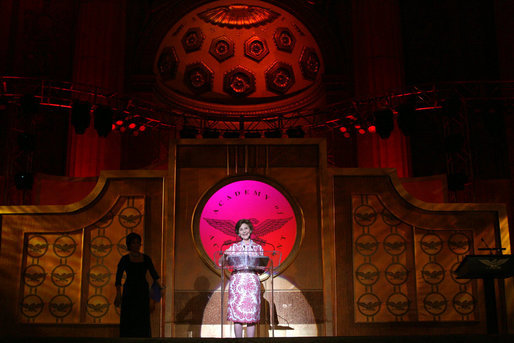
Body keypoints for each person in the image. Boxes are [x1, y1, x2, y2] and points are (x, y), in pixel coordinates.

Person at [114, 232, 160, 337]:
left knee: (142, 319)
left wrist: (153, 299)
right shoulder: (124, 259)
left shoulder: (146, 258)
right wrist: (118, 294)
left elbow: (156, 278)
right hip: (129, 291)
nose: (136, 245)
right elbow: (118, 278)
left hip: (142, 291)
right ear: (129, 245)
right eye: (133, 243)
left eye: (138, 243)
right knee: (128, 319)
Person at [225, 219, 264, 338]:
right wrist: (224, 256)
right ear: (238, 233)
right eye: (241, 229)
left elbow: (262, 268)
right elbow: (223, 262)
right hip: (237, 281)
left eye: (246, 228)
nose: (244, 231)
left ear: (250, 230)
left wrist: (258, 265)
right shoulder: (234, 247)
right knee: (237, 315)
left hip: (252, 281)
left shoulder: (258, 247)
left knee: (251, 316)